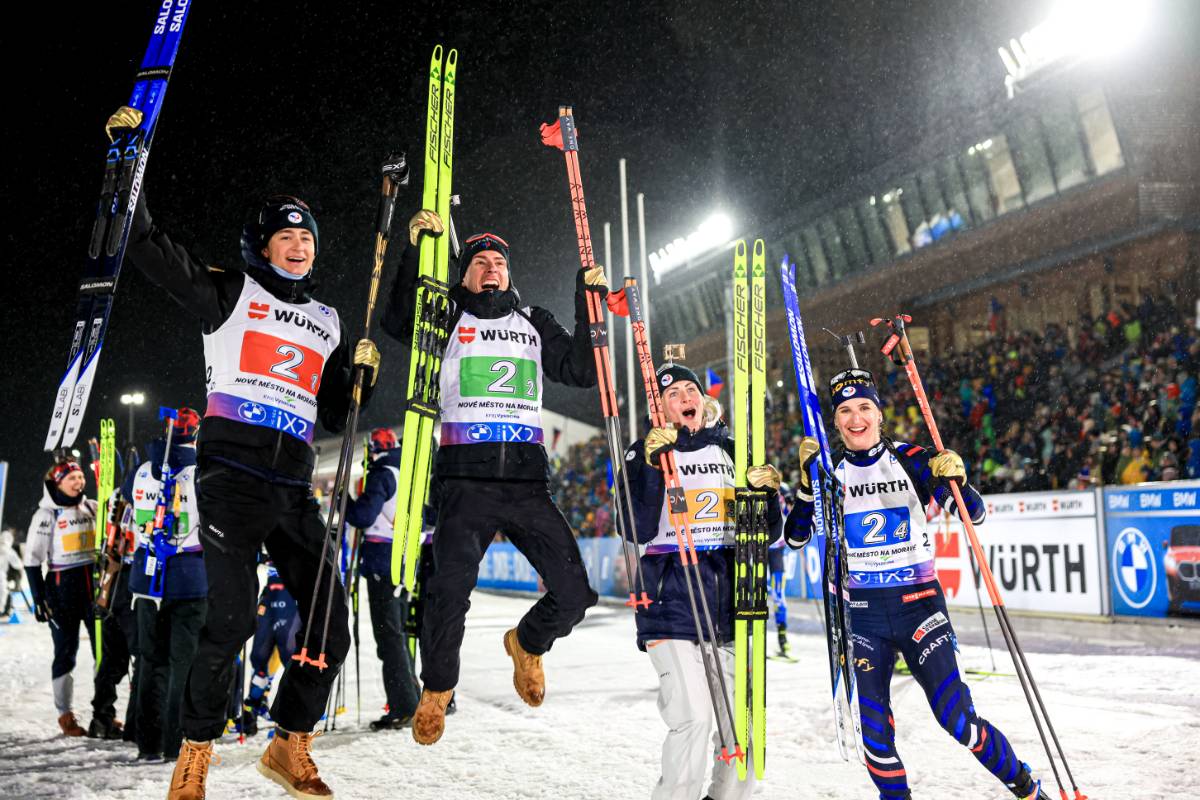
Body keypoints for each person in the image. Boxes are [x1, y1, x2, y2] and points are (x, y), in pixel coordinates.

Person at [113, 101, 380, 800]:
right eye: (285, 235)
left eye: (307, 237)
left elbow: (329, 411)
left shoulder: (326, 320)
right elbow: (149, 250)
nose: (298, 244)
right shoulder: (229, 293)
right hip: (230, 475)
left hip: (292, 486)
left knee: (331, 623)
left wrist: (357, 385)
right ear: (261, 245)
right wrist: (124, 168)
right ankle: (194, 752)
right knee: (230, 619)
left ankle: (288, 744)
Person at [380, 213, 603, 746]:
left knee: (575, 592)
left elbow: (582, 370)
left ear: (509, 274)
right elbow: (397, 321)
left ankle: (527, 643)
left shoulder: (533, 320)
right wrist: (413, 252)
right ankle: (437, 690)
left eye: (499, 263)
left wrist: (586, 296)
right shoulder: (447, 315)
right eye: (479, 263)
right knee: (448, 593)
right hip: (465, 478)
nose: (491, 270)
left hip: (527, 483)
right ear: (464, 275)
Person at [784, 368, 1050, 800]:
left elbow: (973, 515)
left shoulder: (911, 458)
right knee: (874, 734)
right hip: (864, 620)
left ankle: (1025, 786)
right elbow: (795, 537)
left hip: (920, 609)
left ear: (879, 414)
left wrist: (957, 479)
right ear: (834, 421)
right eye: (846, 411)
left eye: (864, 408)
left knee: (958, 721)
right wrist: (805, 486)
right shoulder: (827, 471)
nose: (856, 419)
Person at [622, 363, 783, 799]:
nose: (686, 398)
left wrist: (767, 495)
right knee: (693, 716)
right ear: (660, 409)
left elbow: (766, 533)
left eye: (690, 389)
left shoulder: (732, 449)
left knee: (744, 726)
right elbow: (633, 528)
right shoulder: (642, 453)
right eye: (673, 395)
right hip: (668, 601)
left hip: (732, 600)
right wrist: (655, 467)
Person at [124, 408, 207, 763]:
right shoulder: (202, 470)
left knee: (149, 662)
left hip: (146, 578)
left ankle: (148, 742)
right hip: (188, 578)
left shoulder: (142, 467)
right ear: (195, 434)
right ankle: (175, 744)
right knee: (181, 665)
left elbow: (128, 495)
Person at [23, 458, 126, 738]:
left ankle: (104, 712)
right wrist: (38, 598)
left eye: (80, 477)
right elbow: (32, 560)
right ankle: (65, 714)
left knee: (103, 655)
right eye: (71, 479)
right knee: (65, 654)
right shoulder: (47, 515)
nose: (78, 483)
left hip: (93, 593)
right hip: (61, 595)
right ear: (57, 483)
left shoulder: (91, 507)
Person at [343, 427, 422, 731]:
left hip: (382, 561)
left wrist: (345, 501)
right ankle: (409, 698)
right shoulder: (408, 471)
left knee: (388, 637)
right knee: (397, 635)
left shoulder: (383, 473)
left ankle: (404, 706)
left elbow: (363, 516)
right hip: (403, 560)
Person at [240, 560, 300, 737]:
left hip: (291, 593)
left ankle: (290, 720)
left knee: (289, 659)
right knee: (259, 657)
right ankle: (252, 710)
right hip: (270, 591)